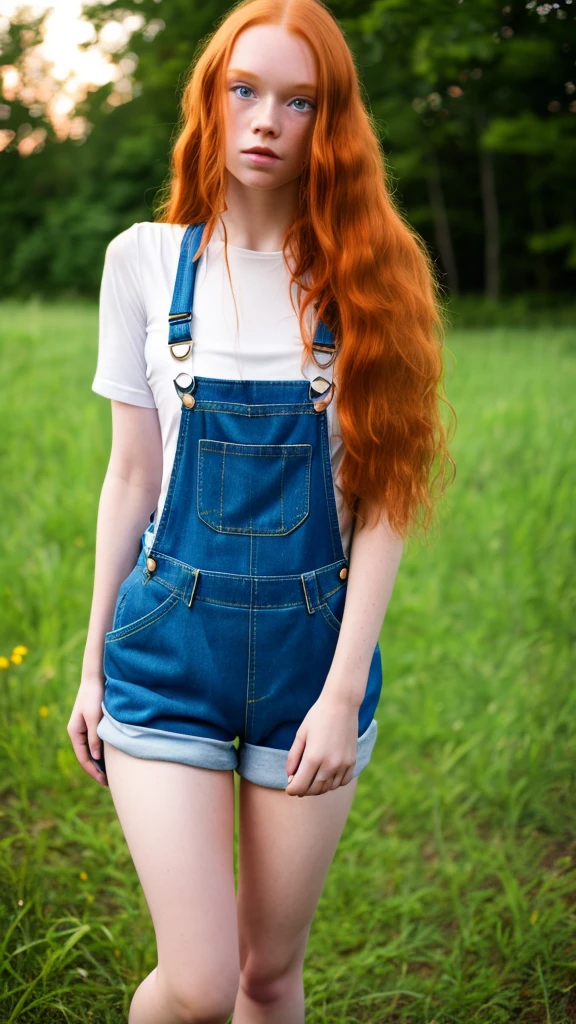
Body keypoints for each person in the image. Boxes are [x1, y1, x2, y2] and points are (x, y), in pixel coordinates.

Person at [67, 0, 453, 1020]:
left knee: (267, 977)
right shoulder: (143, 262)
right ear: (211, 100)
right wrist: (91, 661)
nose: (266, 119)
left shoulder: (375, 276)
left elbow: (385, 502)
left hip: (310, 666)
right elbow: (131, 478)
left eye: (299, 99)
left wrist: (338, 694)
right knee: (196, 983)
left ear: (332, 122)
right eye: (245, 90)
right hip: (166, 654)